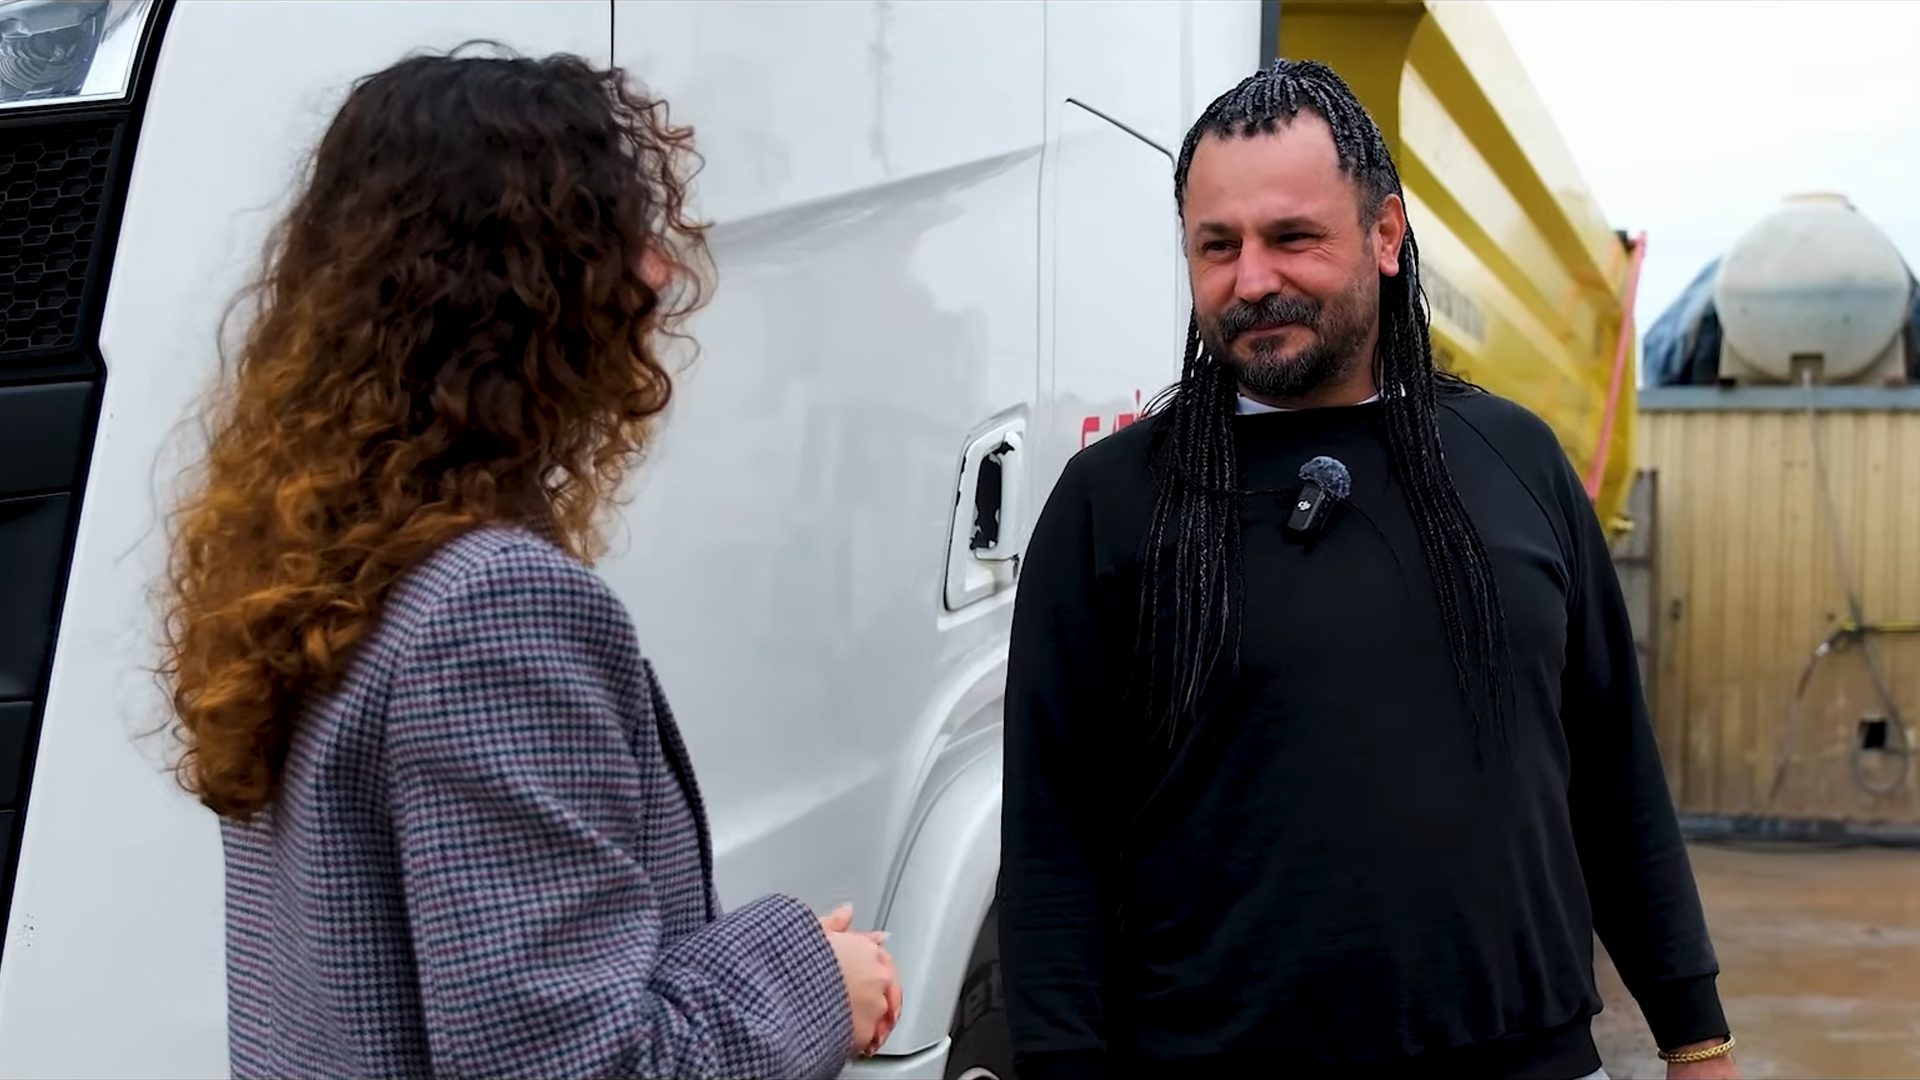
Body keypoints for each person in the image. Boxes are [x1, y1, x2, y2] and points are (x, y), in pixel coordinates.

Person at [158, 50, 899, 1079]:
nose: (657, 273)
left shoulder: (315, 564)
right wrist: (817, 976)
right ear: (531, 290)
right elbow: (580, 1066)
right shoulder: (492, 608)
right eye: (620, 237)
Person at [1000, 60, 1737, 1080]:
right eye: (1218, 246)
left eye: (1292, 237)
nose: (1251, 280)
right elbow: (1052, 840)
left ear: (1386, 236)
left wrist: (1694, 1035)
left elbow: (1615, 776)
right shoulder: (1113, 500)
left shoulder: (1514, 460)